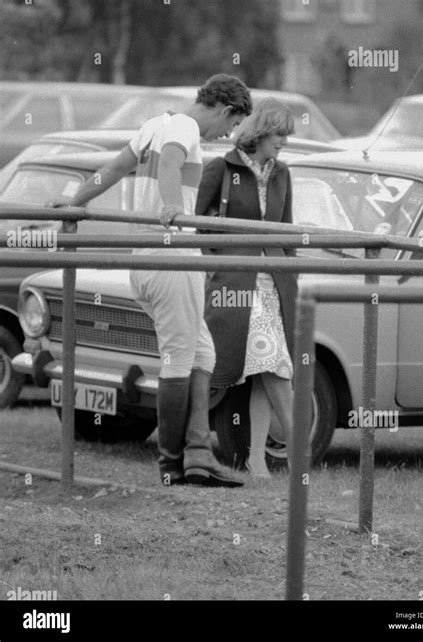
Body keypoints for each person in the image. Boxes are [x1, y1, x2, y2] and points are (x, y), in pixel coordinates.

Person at [49, 74, 252, 488]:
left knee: (203, 354)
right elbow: (174, 162)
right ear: (225, 109)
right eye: (230, 126)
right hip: (171, 257)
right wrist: (175, 209)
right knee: (180, 357)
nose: (225, 136)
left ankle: (198, 453)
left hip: (147, 260)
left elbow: (112, 170)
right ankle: (170, 463)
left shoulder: (153, 125)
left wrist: (73, 201)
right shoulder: (185, 128)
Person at [195, 98, 297, 478]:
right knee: (273, 363)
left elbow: (287, 230)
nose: (284, 142)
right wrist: (217, 267)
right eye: (279, 134)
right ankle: (299, 451)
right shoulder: (220, 167)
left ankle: (257, 460)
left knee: (265, 368)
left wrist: (292, 274)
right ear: (260, 132)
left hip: (275, 284)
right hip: (237, 284)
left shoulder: (283, 173)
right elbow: (197, 227)